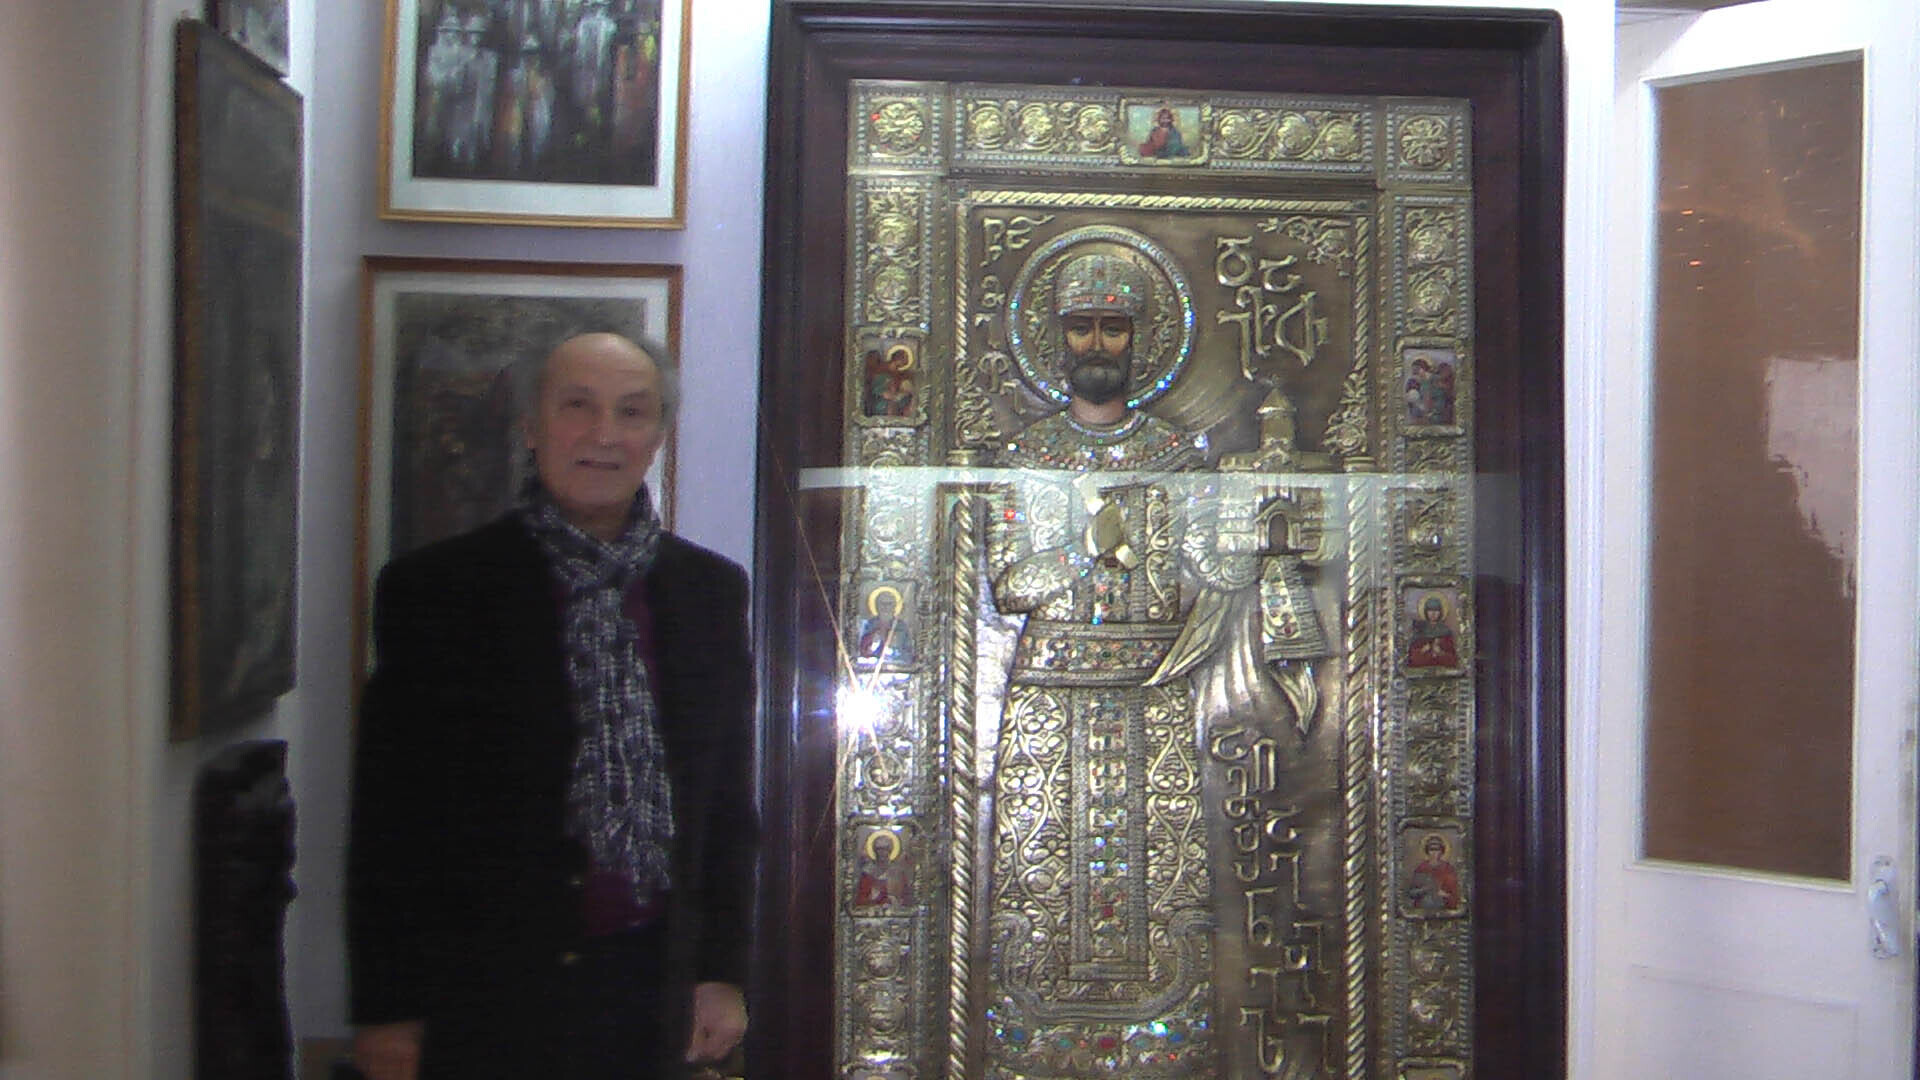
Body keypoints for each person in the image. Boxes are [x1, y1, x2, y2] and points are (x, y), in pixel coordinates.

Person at [347, 332, 755, 1080]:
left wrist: (722, 973)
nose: (604, 434)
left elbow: (726, 804)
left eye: (632, 411)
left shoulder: (709, 592)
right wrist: (388, 1010)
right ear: (531, 428)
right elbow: (389, 822)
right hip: (485, 999)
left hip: (651, 989)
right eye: (577, 406)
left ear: (657, 436)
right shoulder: (438, 591)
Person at [982, 251, 1327, 1076]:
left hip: (1152, 689)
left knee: (1160, 881)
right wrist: (1085, 549)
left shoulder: (1176, 455)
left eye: (1114, 327)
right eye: (1082, 326)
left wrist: (1263, 531)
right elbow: (1009, 584)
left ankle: (1162, 1046)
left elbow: (1211, 569)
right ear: (1057, 336)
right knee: (1044, 875)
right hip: (1051, 693)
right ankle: (1035, 1044)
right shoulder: (1027, 457)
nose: (1098, 343)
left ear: (1141, 338)